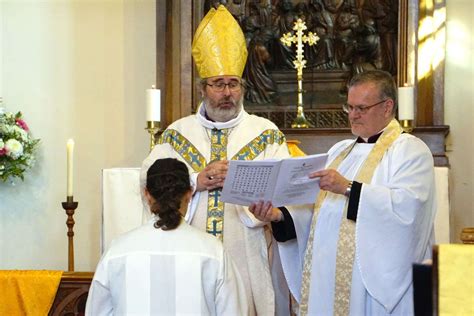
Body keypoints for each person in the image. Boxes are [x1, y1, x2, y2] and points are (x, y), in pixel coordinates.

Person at [140, 5, 291, 316]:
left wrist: (264, 211)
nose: (227, 92)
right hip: (188, 250)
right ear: (202, 88)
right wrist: (196, 181)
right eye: (218, 84)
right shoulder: (175, 134)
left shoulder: (266, 133)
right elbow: (148, 182)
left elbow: (284, 187)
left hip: (246, 253)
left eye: (233, 84)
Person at [250, 70, 437, 315]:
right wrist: (280, 216)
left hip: (370, 285)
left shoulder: (410, 151)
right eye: (349, 107)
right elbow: (321, 216)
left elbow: (408, 211)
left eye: (361, 108)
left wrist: (348, 188)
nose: (353, 115)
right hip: (327, 278)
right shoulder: (340, 152)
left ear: (387, 106)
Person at [86, 158, 248, 315]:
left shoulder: (118, 250)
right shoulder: (213, 251)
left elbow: (97, 311)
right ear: (189, 193)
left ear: (147, 194)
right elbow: (233, 310)